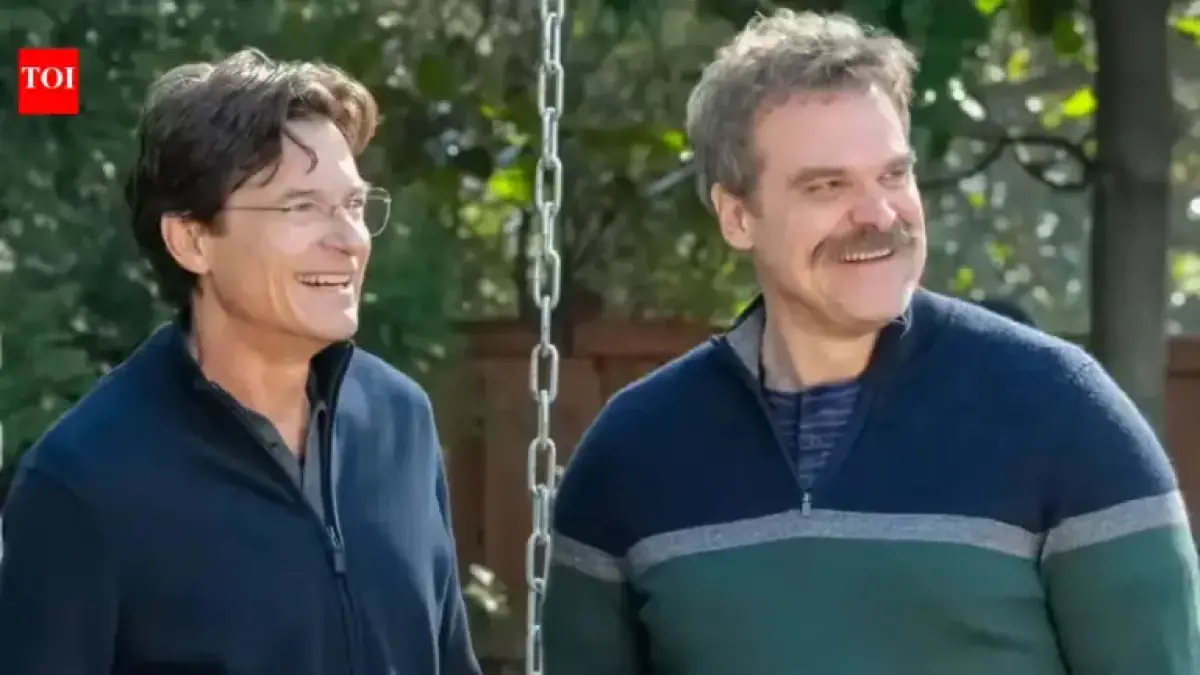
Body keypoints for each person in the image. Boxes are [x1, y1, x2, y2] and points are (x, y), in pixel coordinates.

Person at [543, 10, 1200, 675]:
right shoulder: (633, 453)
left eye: (892, 175)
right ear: (738, 216)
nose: (879, 214)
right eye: (827, 186)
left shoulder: (1062, 412)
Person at [0, 50, 480, 675]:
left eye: (355, 206)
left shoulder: (400, 421)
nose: (349, 240)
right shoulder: (83, 483)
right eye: (302, 207)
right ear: (192, 240)